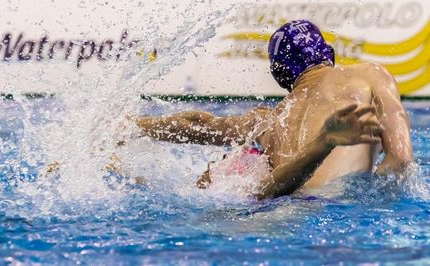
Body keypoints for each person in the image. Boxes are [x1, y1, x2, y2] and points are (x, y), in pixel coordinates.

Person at [136, 20, 413, 199]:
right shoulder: (370, 75)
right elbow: (400, 159)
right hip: (342, 214)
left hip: (285, 208)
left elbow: (200, 125)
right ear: (327, 53)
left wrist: (133, 126)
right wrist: (377, 198)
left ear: (279, 73)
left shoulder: (269, 120)